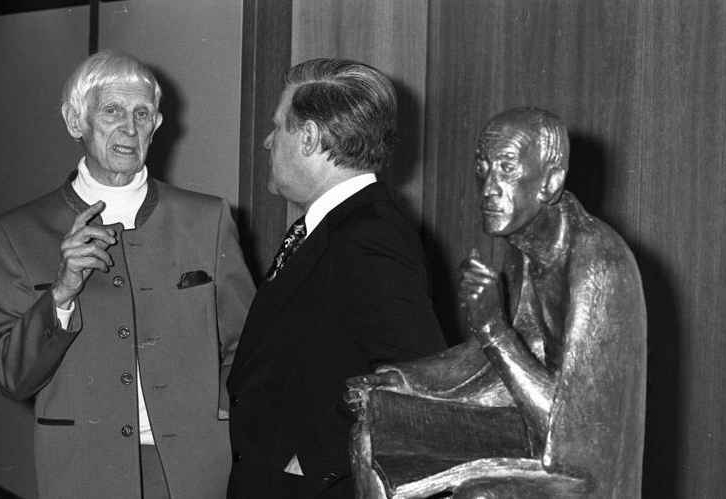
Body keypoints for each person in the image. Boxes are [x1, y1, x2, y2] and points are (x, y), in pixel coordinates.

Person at [0, 50, 255, 499]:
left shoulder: (206, 219)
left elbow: (249, 344)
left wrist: (216, 414)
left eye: (141, 114)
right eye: (112, 111)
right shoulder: (19, 232)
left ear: (156, 125)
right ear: (75, 121)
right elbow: (6, 373)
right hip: (84, 474)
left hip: (195, 473)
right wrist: (61, 294)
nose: (129, 128)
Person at [349, 107, 647, 497]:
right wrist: (406, 380)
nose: (489, 187)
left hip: (580, 468)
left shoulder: (597, 265)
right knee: (376, 429)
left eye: (507, 168)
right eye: (482, 168)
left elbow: (572, 433)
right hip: (531, 434)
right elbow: (500, 364)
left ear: (550, 182)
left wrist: (494, 329)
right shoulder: (527, 243)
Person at [226, 58, 447, 499]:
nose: (268, 141)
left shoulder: (370, 233)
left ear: (308, 137)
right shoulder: (333, 225)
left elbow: (417, 377)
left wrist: (312, 460)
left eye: (278, 127)